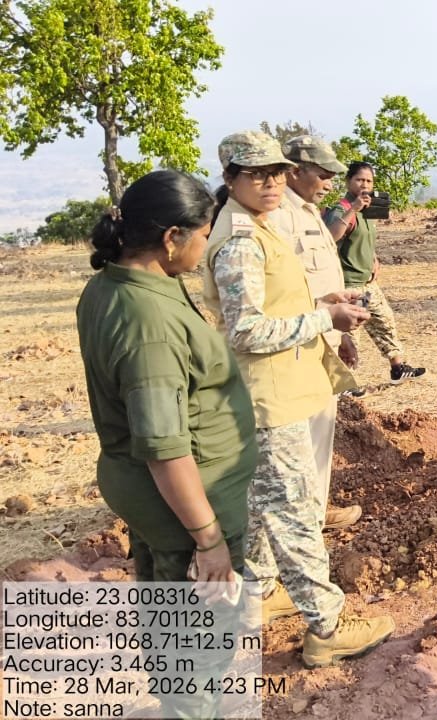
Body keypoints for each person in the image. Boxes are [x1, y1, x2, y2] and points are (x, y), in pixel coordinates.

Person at [203, 130, 394, 668]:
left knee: (266, 507)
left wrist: (318, 297)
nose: (270, 182)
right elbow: (245, 330)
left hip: (278, 389)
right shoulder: (241, 239)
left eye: (277, 171)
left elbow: (271, 298)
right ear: (231, 179)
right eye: (256, 173)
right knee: (293, 512)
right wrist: (324, 317)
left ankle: (262, 592)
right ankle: (326, 627)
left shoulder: (256, 227)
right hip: (270, 395)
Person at [76, 170, 255, 717]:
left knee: (167, 614)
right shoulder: (148, 324)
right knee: (202, 639)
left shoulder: (112, 284)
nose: (207, 247)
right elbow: (165, 446)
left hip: (154, 500)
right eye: (204, 235)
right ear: (172, 237)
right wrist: (210, 541)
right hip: (188, 503)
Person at [269, 135, 362, 531]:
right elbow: (283, 287)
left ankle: (314, 508)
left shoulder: (308, 212)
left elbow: (322, 278)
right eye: (322, 174)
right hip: (296, 339)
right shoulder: (277, 217)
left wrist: (342, 332)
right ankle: (299, 519)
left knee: (321, 425)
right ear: (294, 171)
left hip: (323, 333)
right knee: (300, 432)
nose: (329, 182)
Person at [324, 162, 425, 386]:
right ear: (348, 181)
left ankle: (398, 367)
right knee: (350, 337)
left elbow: (364, 240)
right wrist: (353, 209)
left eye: (369, 181)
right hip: (349, 284)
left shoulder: (369, 210)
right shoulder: (341, 209)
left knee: (384, 321)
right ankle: (345, 386)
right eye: (360, 180)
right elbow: (331, 237)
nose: (365, 185)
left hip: (368, 283)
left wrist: (373, 258)